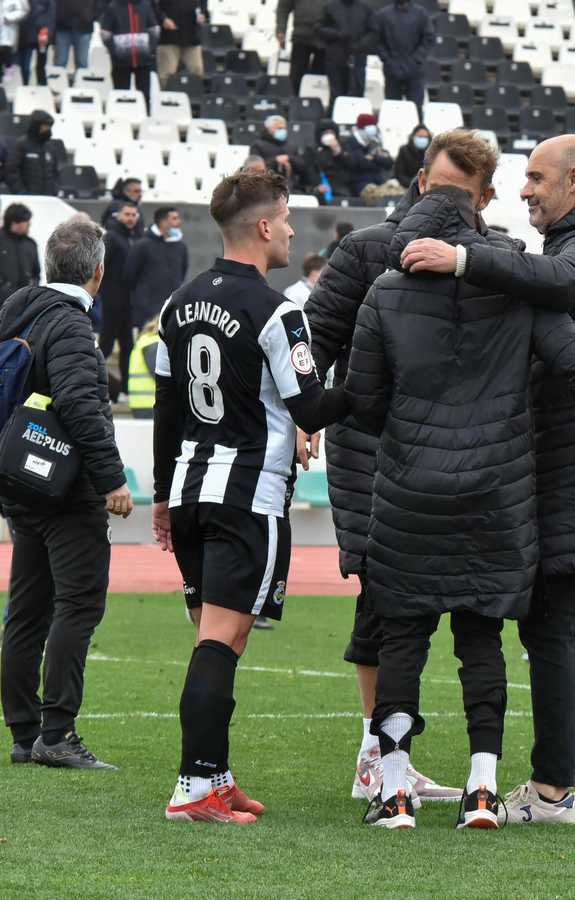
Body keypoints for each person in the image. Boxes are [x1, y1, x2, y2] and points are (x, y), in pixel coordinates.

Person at [346, 174, 575, 829]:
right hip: (497, 490)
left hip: (408, 492)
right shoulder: (516, 298)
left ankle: (394, 789)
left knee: (402, 641)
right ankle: (482, 790)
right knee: (480, 639)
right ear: (475, 233)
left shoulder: (384, 294)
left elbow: (365, 406)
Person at [306, 132, 507, 806]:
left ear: (483, 197)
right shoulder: (367, 250)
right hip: (377, 454)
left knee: (431, 606)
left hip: (455, 456)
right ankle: (378, 758)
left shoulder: (499, 257)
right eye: (446, 187)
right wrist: (307, 417)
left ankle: (385, 760)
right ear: (420, 182)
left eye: (464, 192)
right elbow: (314, 341)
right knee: (385, 602)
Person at [148, 169, 344, 821]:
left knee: (220, 639)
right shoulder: (277, 312)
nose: (291, 230)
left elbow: (167, 407)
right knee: (220, 639)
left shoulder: (178, 304)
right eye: (285, 219)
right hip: (246, 495)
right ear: (263, 228)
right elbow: (312, 403)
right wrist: (378, 377)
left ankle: (214, 773)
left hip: (187, 491)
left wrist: (157, 496)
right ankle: (194, 785)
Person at [0, 217, 132, 772]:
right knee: (78, 606)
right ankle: (58, 732)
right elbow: (80, 407)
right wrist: (112, 479)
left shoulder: (17, 310)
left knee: (27, 610)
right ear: (99, 272)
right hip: (65, 488)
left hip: (21, 478)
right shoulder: (70, 325)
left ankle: (26, 734)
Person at [125, 206, 189, 331]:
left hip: (170, 308)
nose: (179, 222)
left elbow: (182, 272)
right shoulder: (142, 246)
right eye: (174, 218)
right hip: (146, 310)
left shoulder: (180, 247)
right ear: (163, 222)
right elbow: (129, 275)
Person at [98, 201, 139, 386]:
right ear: (119, 216)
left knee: (128, 346)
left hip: (128, 302)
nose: (131, 218)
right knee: (106, 343)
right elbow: (101, 266)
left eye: (133, 215)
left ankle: (125, 388)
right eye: (127, 214)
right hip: (113, 301)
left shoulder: (134, 238)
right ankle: (88, 380)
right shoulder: (112, 237)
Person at [375, 0, 433, 116]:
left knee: (415, 108)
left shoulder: (420, 13)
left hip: (415, 69)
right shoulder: (383, 14)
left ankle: (417, 133)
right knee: (392, 107)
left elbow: (428, 39)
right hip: (392, 68)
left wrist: (415, 60)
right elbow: (376, 40)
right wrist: (388, 60)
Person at [319, 0, 377, 100]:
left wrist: (359, 45)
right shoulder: (330, 7)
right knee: (336, 96)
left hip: (358, 59)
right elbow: (319, 28)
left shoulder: (365, 7)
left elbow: (374, 32)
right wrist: (336, 34)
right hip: (335, 58)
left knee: (356, 95)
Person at [99, 0, 159, 92]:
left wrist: (150, 49)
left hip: (143, 60)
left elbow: (154, 30)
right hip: (120, 62)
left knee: (144, 96)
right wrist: (116, 51)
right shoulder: (113, 7)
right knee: (121, 95)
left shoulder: (145, 5)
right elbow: (105, 34)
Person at [277, 0, 331, 94]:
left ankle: (315, 104)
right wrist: (281, 29)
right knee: (297, 77)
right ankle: (294, 102)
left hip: (327, 39)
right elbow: (283, 7)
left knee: (319, 81)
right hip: (301, 37)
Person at [5, 110, 63, 197]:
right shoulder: (21, 145)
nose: (48, 129)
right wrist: (22, 194)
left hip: (48, 199)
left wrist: (53, 191)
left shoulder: (49, 148)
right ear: (37, 126)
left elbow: (55, 174)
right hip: (26, 199)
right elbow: (12, 172)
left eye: (50, 126)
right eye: (46, 126)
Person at [340, 114, 393, 198]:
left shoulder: (376, 141)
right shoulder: (352, 141)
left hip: (377, 180)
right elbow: (361, 163)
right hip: (359, 181)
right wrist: (379, 160)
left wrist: (374, 158)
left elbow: (389, 162)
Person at [154, 0, 207, 81]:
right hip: (168, 38)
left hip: (192, 37)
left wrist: (203, 13)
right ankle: (166, 93)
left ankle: (196, 93)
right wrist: (163, 19)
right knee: (167, 76)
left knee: (197, 72)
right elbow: (151, 5)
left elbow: (203, 3)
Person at [54, 0, 102, 70]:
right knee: (59, 62)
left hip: (84, 27)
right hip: (62, 26)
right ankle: (56, 81)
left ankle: (81, 81)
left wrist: (91, 15)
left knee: (82, 64)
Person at [0, 0, 28, 82]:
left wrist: (9, 17)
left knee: (5, 49)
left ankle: (9, 68)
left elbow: (23, 10)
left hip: (8, 30)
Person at [17, 0, 54, 86]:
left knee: (41, 64)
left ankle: (41, 85)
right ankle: (24, 86)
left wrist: (48, 32)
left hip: (42, 33)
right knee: (25, 64)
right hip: (25, 33)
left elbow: (51, 13)